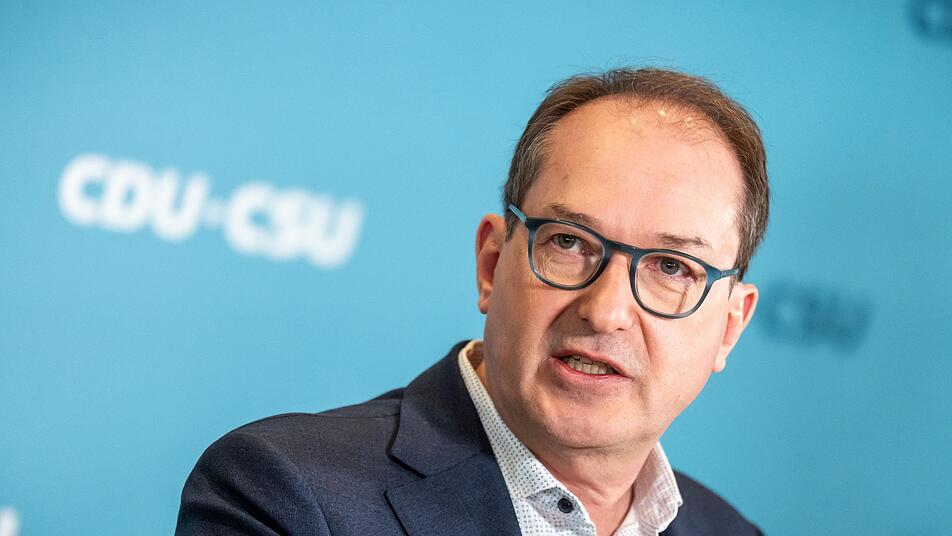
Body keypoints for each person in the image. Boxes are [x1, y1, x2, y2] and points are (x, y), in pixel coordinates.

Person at [176, 67, 769, 536]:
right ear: (491, 264)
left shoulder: (732, 531)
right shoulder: (285, 494)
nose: (606, 311)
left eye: (672, 267)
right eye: (568, 242)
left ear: (729, 327)